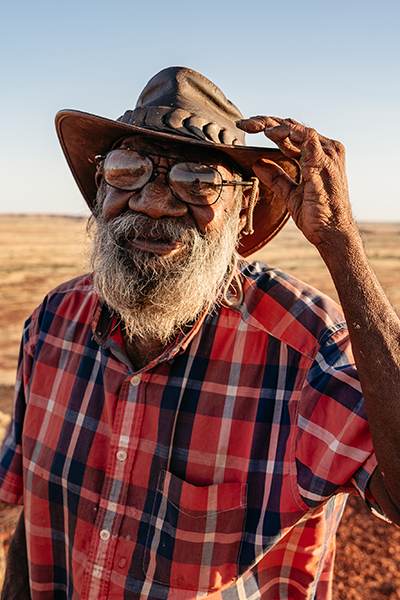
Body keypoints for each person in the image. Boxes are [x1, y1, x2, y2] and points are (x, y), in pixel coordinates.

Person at [1, 66, 400, 600]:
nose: (153, 202)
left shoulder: (307, 348)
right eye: (128, 169)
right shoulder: (54, 322)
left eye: (199, 181)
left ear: (243, 211)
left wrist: (341, 244)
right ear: (100, 188)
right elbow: (36, 510)